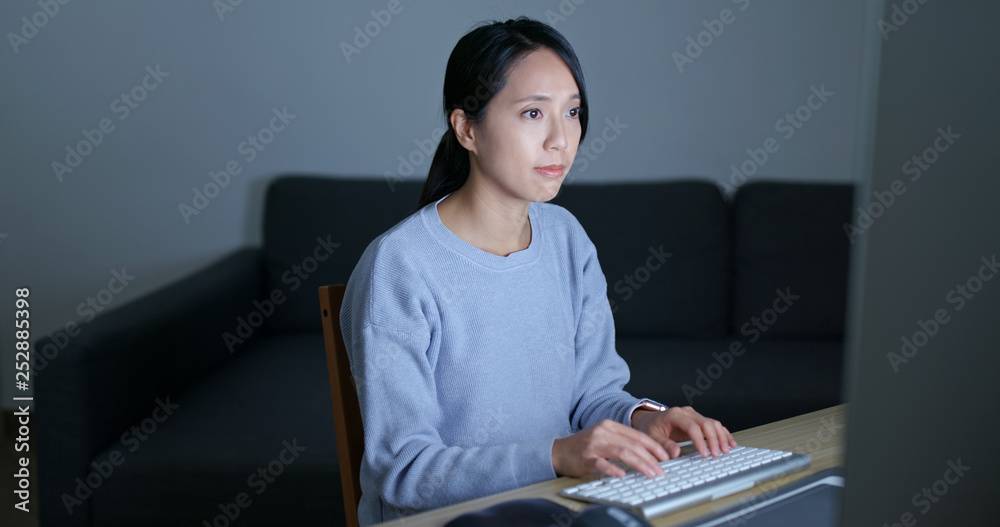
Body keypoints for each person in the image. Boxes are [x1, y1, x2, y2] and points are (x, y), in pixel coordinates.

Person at [340, 16, 737, 526]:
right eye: (533, 113)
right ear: (467, 129)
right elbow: (404, 472)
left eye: (572, 113)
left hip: (563, 507)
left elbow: (594, 396)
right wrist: (556, 455)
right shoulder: (400, 265)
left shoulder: (566, 237)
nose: (561, 140)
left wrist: (647, 421)